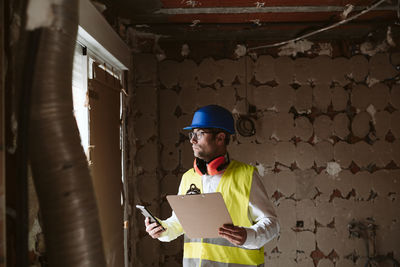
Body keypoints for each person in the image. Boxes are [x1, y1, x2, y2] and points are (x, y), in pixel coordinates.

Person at [145, 104, 279, 267]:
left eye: (200, 134)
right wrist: (162, 229)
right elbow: (179, 223)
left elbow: (272, 224)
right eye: (192, 134)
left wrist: (248, 236)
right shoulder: (189, 178)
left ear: (220, 138)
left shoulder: (246, 176)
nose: (193, 140)